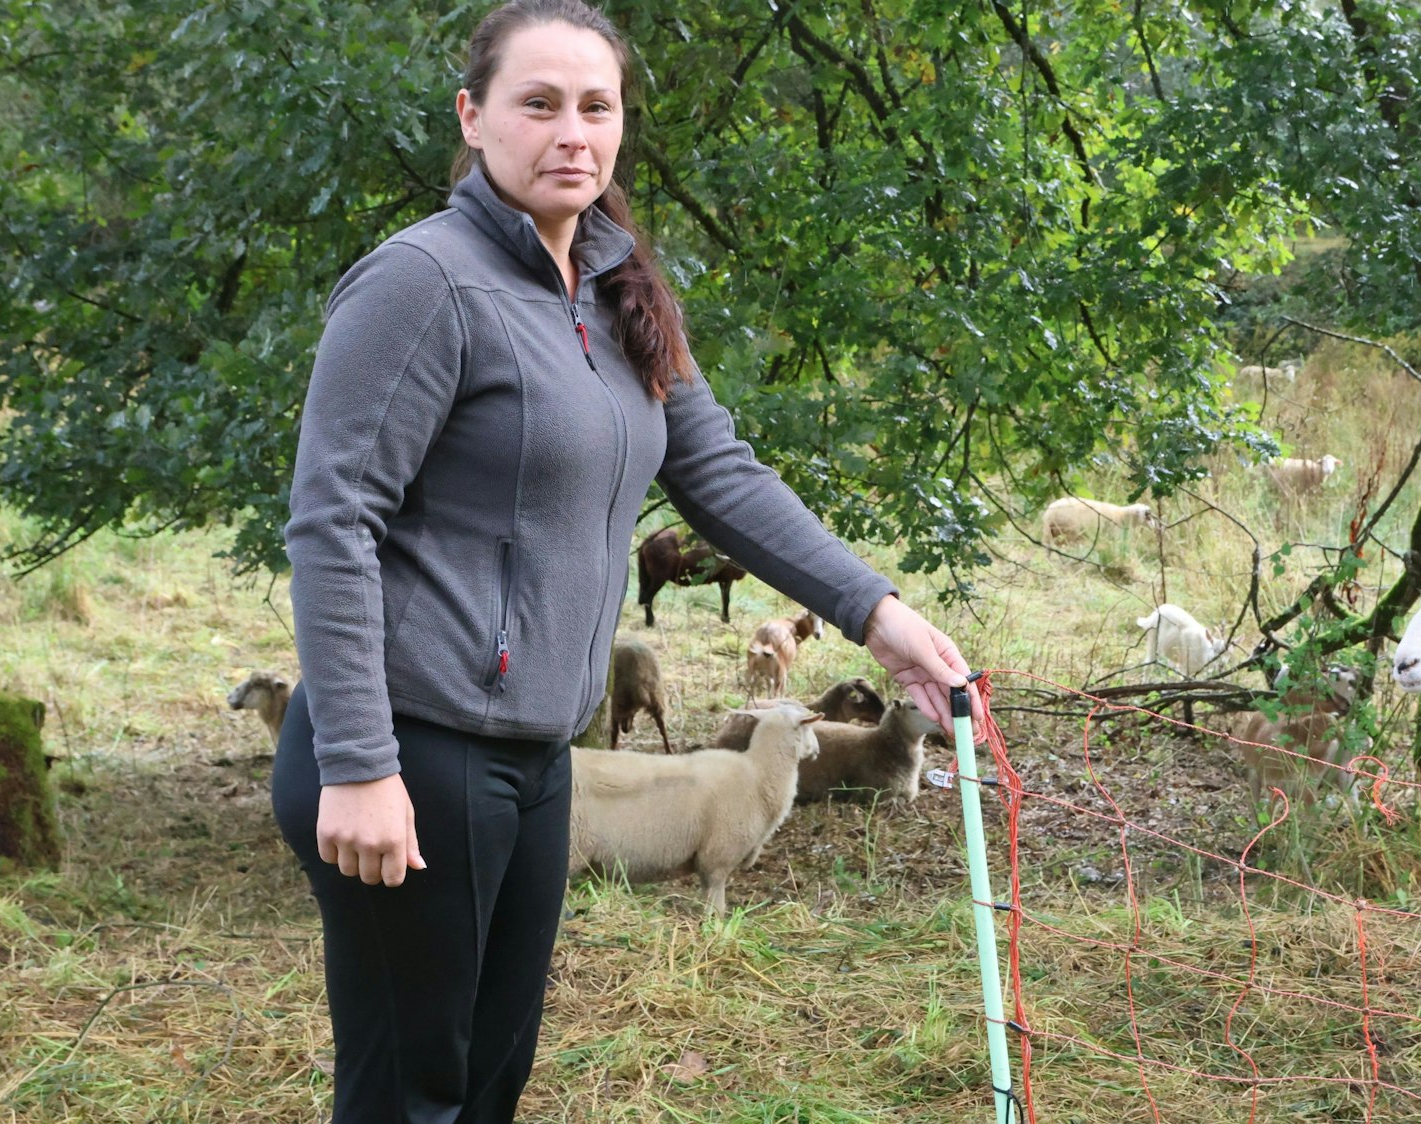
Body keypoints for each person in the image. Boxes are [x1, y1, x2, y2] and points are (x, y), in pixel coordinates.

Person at [269, 2, 979, 1120]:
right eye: (537, 103)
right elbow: (332, 520)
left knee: (490, 1079)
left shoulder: (618, 287)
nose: (571, 132)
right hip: (412, 744)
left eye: (595, 106)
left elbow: (722, 475)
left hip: (536, 755)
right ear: (473, 115)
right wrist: (360, 764)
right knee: (412, 1091)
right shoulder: (423, 284)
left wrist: (872, 609)